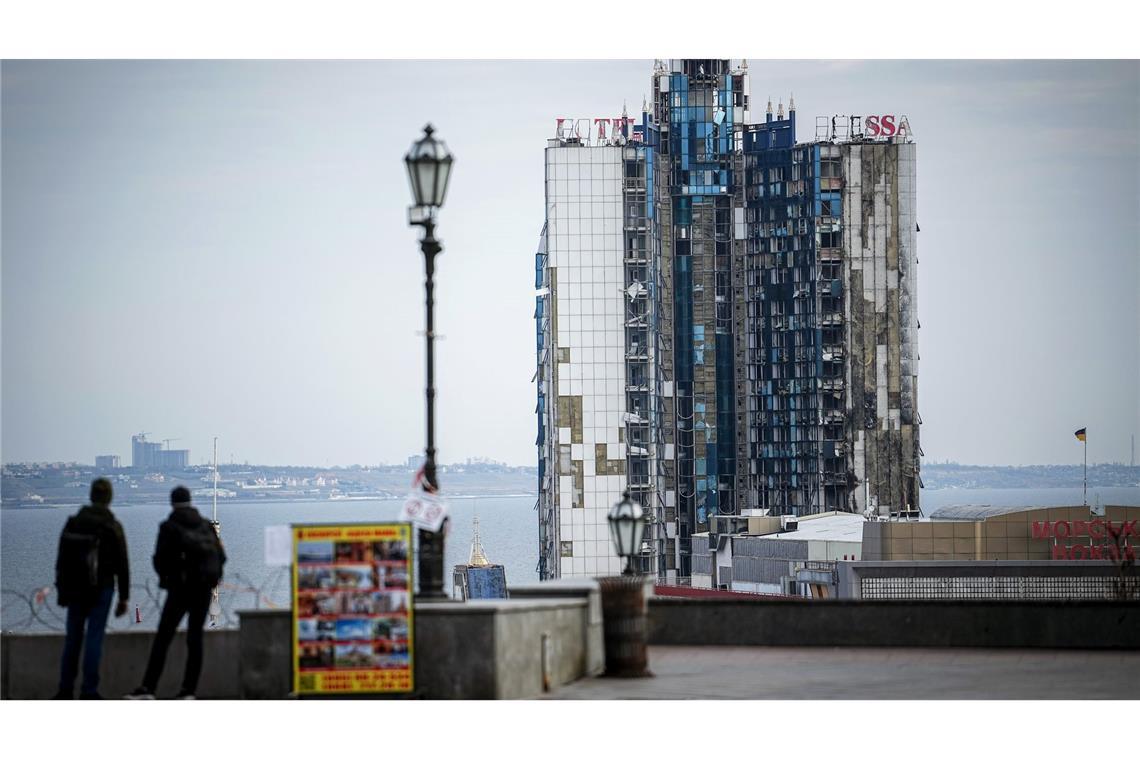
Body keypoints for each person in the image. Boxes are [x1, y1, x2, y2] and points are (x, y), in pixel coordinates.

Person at [126, 485, 225, 700]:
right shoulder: (206, 526)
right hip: (203, 589)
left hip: (179, 590)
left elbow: (160, 559)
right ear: (191, 501)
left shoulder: (169, 526)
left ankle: (149, 688)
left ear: (172, 502)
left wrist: (167, 580)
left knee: (164, 637)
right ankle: (189, 691)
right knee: (195, 638)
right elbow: (221, 557)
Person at [53, 478, 130, 699]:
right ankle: (89, 690)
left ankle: (65, 689)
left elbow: (61, 560)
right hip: (102, 589)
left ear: (91, 496)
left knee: (73, 639)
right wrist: (124, 597)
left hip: (75, 590)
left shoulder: (73, 522)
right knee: (94, 639)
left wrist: (61, 590)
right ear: (109, 498)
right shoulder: (112, 526)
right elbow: (122, 564)